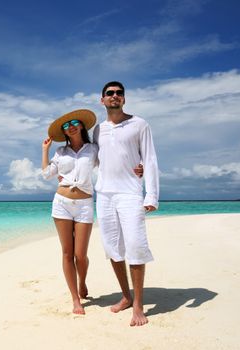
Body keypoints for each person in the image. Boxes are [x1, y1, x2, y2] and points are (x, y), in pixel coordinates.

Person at [93, 81, 160, 326]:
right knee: (112, 247)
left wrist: (150, 195)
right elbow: (97, 158)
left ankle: (139, 306)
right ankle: (125, 296)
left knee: (135, 246)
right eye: (110, 93)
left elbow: (150, 159)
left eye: (119, 93)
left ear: (124, 99)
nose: (115, 96)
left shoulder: (140, 124)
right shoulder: (98, 130)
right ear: (102, 100)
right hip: (104, 195)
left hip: (131, 194)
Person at [42, 109, 98, 315]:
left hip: (84, 205)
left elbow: (111, 164)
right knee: (67, 253)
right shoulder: (60, 152)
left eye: (74, 123)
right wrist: (45, 150)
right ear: (63, 133)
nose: (70, 126)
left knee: (80, 255)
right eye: (65, 126)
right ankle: (75, 299)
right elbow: (48, 175)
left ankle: (82, 281)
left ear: (82, 125)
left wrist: (137, 168)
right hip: (62, 203)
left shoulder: (93, 149)